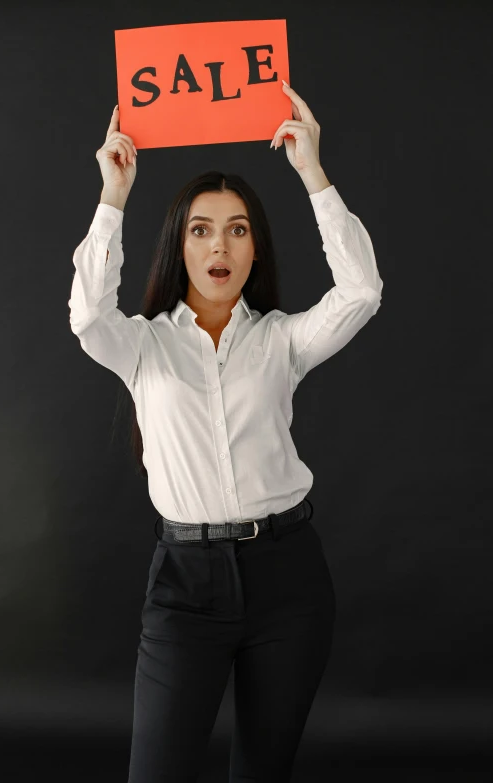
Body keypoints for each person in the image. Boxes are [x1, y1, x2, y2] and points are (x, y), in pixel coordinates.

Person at [68, 82, 383, 783]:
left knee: (262, 772)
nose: (220, 245)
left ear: (255, 249)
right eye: (201, 228)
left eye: (238, 228)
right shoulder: (143, 346)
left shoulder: (282, 340)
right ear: (179, 245)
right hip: (186, 586)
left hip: (289, 580)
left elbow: (362, 292)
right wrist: (113, 196)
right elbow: (87, 316)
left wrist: (312, 171)